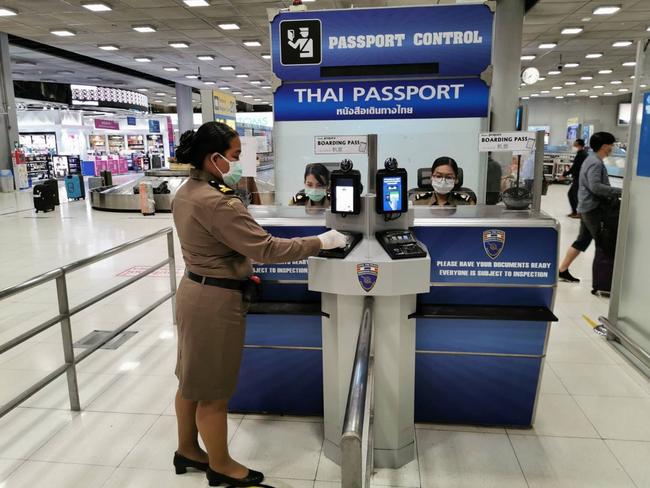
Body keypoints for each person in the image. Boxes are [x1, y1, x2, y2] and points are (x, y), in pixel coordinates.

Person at [171, 122, 347, 487]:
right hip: (216, 302)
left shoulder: (188, 190)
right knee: (214, 392)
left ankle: (187, 449)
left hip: (193, 291)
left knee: (191, 380)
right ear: (213, 158)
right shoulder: (218, 201)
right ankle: (220, 466)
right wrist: (322, 241)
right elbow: (266, 249)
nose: (238, 163)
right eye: (234, 157)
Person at [558, 132, 622, 282]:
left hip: (586, 207)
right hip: (593, 209)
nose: (612, 148)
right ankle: (605, 280)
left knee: (582, 240)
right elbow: (596, 187)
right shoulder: (595, 162)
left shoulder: (591, 159)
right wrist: (621, 191)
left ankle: (563, 270)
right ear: (605, 146)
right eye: (612, 145)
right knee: (604, 243)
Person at [563, 139, 589, 218]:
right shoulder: (581, 154)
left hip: (580, 179)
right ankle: (575, 212)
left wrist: (565, 174)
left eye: (575, 145)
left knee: (575, 195)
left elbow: (575, 167)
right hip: (578, 178)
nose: (573, 147)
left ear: (580, 145)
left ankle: (579, 213)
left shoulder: (582, 155)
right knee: (572, 194)